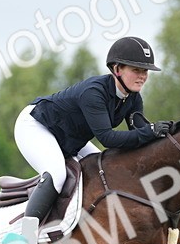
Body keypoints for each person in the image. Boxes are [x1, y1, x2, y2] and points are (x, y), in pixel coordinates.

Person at [16, 36, 169, 225]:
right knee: (57, 174)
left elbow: (141, 134)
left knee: (105, 170)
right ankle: (25, 235)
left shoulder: (133, 98)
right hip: (36, 125)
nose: (143, 76)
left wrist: (167, 136)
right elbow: (107, 138)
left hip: (71, 137)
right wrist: (150, 131)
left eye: (145, 70)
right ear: (117, 69)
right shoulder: (94, 92)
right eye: (136, 70)